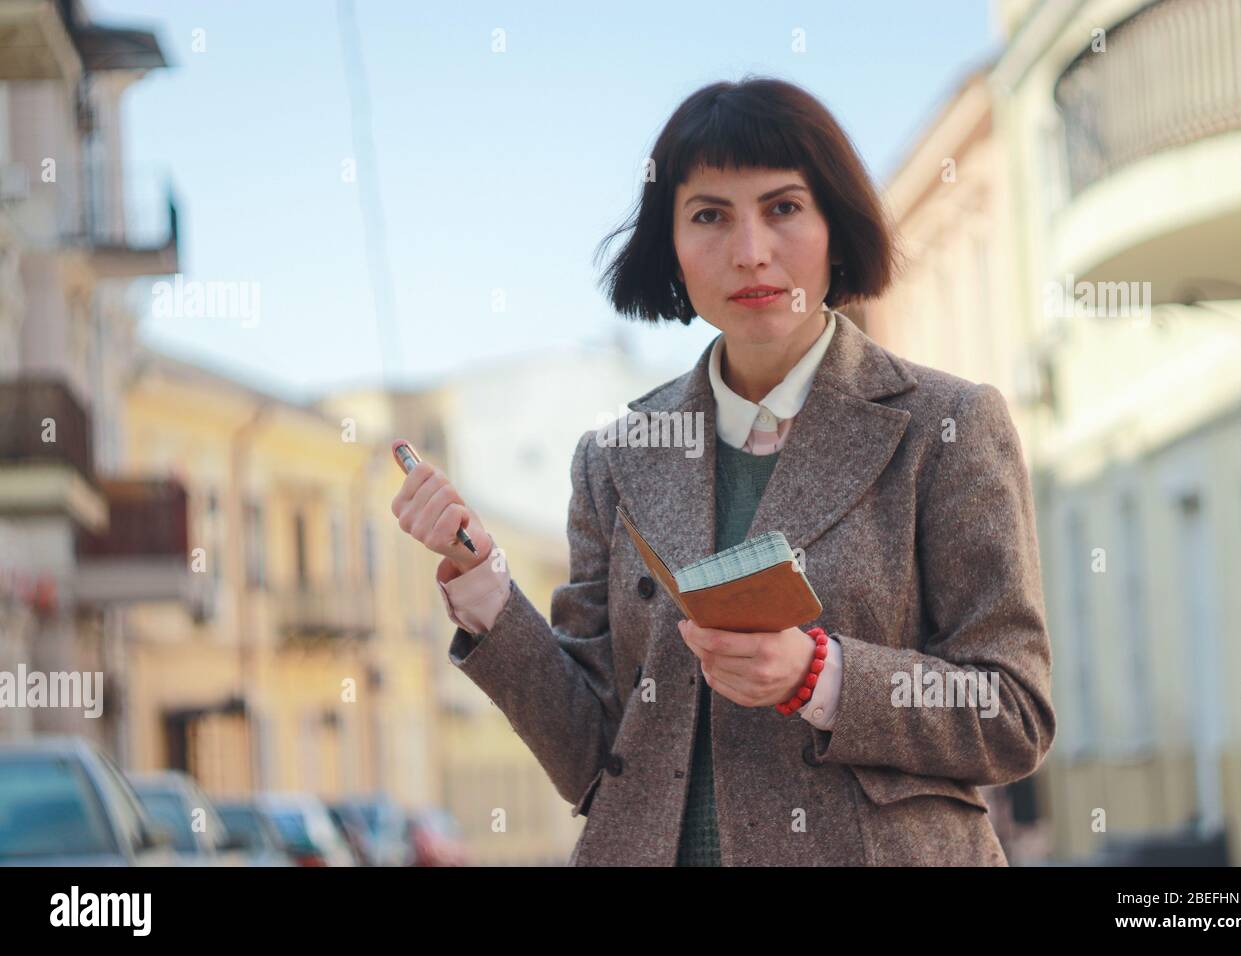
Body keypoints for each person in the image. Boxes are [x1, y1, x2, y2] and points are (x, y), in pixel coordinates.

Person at [390, 76, 1055, 866]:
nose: (750, 251)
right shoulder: (615, 458)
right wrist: (485, 589)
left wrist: (822, 674)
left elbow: (1010, 711)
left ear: (834, 225)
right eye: (709, 215)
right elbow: (593, 751)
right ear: (669, 246)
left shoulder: (946, 428)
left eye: (782, 208)